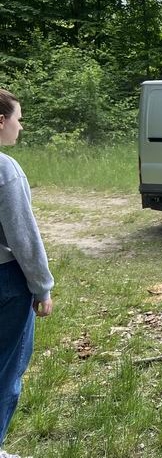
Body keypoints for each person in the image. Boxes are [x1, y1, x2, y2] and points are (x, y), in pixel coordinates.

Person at [0, 89, 54, 458]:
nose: (21, 125)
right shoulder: (5, 170)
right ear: (0, 121)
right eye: (18, 118)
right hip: (6, 282)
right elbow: (23, 237)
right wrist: (42, 288)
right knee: (6, 370)